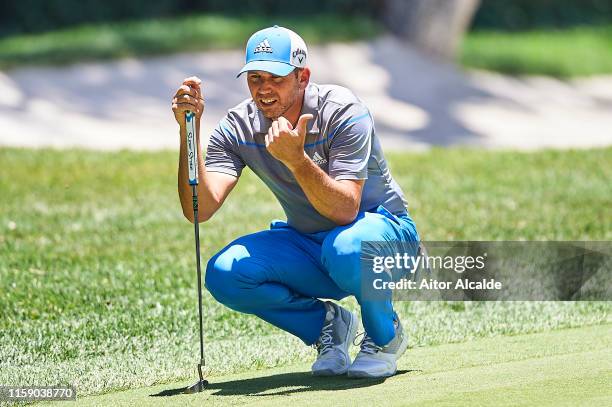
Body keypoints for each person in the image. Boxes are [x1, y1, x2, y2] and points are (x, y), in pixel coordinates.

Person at [172, 26, 419, 378]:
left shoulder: (343, 111)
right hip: (312, 243)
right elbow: (200, 209)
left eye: (276, 77)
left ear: (303, 77)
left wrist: (297, 160)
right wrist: (189, 131)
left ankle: (384, 337)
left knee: (348, 247)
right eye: (255, 78)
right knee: (226, 273)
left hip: (385, 238)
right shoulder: (238, 126)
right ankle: (328, 326)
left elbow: (346, 209)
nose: (264, 89)